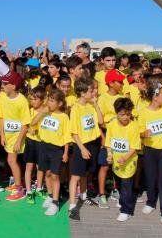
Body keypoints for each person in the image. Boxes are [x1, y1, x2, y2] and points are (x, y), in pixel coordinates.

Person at [137, 73, 162, 224]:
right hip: (149, 150)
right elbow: (140, 131)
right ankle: (151, 202)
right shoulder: (143, 113)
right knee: (151, 178)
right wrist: (143, 133)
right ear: (155, 97)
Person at [68, 76, 104, 221]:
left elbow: (100, 121)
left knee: (86, 173)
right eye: (91, 91)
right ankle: (72, 206)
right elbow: (74, 132)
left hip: (93, 143)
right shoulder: (75, 109)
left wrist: (96, 105)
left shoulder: (91, 105)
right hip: (81, 145)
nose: (94, 93)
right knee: (76, 175)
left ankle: (83, 195)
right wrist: (82, 148)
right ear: (82, 93)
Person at [106, 97, 142, 222]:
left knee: (127, 186)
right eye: (122, 115)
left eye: (128, 114)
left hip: (129, 162)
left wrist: (125, 158)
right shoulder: (111, 125)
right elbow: (109, 143)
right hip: (116, 162)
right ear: (116, 113)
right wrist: (109, 154)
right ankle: (123, 201)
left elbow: (134, 147)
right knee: (119, 184)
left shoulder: (134, 126)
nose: (125, 117)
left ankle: (126, 210)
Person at [95, 69, 126, 209]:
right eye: (119, 82)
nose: (122, 84)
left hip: (120, 136)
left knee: (118, 164)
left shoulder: (123, 97)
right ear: (111, 83)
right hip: (106, 135)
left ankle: (115, 190)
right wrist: (103, 137)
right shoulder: (102, 98)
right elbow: (99, 122)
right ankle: (101, 194)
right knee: (104, 166)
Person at [0, 70, 31, 202]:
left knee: (11, 161)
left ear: (13, 86)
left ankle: (19, 188)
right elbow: (1, 117)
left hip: (17, 136)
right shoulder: (2, 96)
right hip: (7, 135)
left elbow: (25, 124)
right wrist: (2, 134)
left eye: (5, 83)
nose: (2, 85)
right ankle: (17, 183)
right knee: (11, 160)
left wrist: (19, 141)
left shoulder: (22, 101)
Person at [37, 89, 70, 216]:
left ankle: (55, 202)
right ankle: (50, 195)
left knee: (55, 175)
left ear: (60, 103)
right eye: (48, 100)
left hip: (57, 149)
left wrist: (65, 152)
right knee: (47, 173)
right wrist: (42, 113)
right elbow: (33, 123)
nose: (48, 103)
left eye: (52, 101)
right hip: (44, 146)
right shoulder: (45, 113)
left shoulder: (64, 117)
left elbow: (67, 136)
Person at [25, 86, 46, 203]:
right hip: (30, 141)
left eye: (35, 99)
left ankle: (39, 187)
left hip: (41, 142)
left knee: (40, 167)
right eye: (31, 99)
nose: (32, 101)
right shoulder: (29, 110)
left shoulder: (46, 112)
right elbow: (25, 125)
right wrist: (29, 130)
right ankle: (28, 191)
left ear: (42, 100)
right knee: (29, 166)